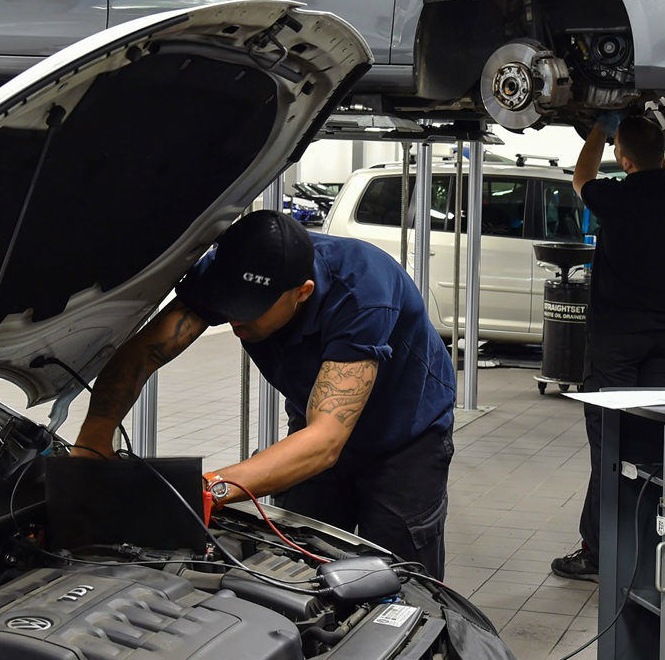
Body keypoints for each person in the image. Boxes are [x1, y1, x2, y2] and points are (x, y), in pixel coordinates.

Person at [73, 210, 457, 577]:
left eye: (252, 309)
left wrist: (206, 490)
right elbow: (144, 353)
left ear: (302, 293)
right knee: (304, 561)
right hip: (313, 422)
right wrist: (93, 440)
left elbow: (325, 442)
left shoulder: (362, 290)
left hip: (405, 438)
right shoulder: (225, 272)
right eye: (230, 304)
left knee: (397, 573)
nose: (237, 318)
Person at [551, 115, 665, 582]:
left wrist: (598, 126)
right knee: (657, 441)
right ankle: (655, 542)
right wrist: (638, 135)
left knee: (610, 445)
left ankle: (598, 553)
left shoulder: (615, 195)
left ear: (622, 158)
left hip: (617, 342)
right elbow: (657, 160)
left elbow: (582, 178)